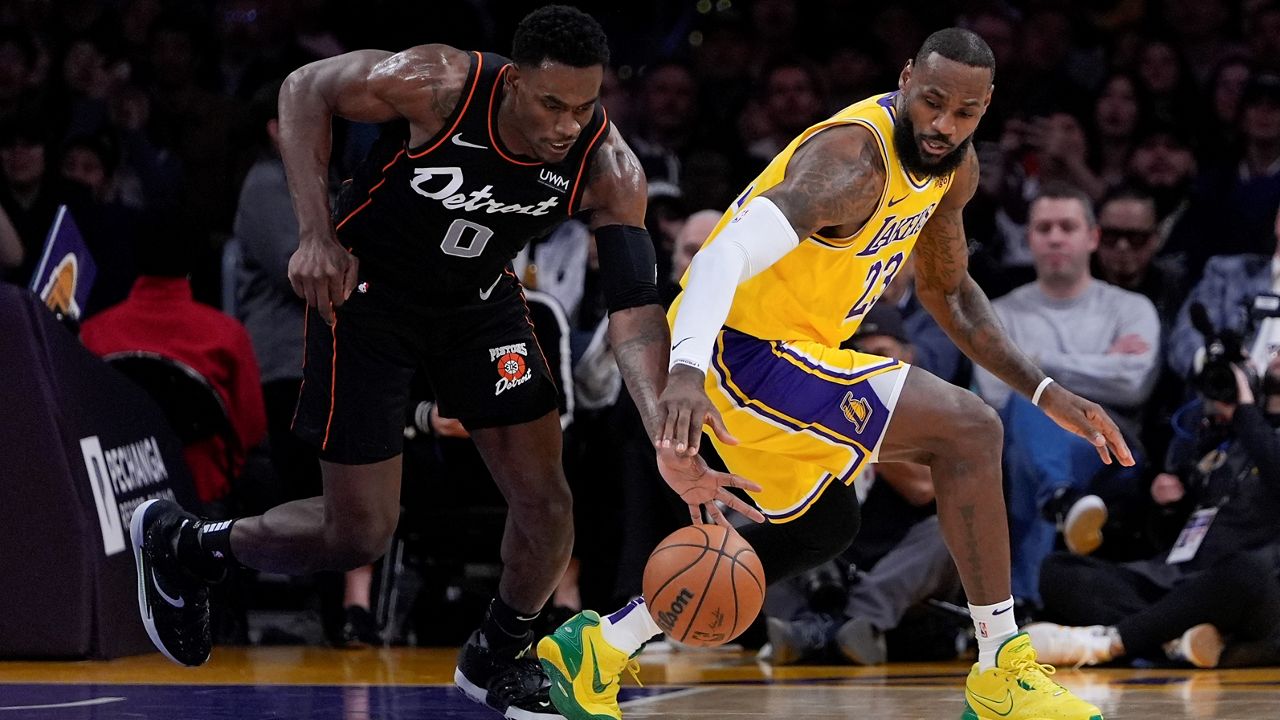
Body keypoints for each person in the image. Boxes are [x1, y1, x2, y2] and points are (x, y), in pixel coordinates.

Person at [130, 8, 749, 720]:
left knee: (549, 509)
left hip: (478, 308)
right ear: (514, 82)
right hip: (368, 298)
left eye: (583, 108)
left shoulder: (610, 167)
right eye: (551, 104)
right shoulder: (441, 83)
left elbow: (634, 308)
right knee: (358, 532)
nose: (566, 126)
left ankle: (497, 657)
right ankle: (187, 542)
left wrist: (664, 428)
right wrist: (314, 233)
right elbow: (304, 87)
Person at [539, 28, 1131, 720]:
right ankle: (1003, 670)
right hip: (740, 351)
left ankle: (604, 644)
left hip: (795, 352)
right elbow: (723, 255)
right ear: (907, 78)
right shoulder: (853, 163)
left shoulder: (952, 167)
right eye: (932, 102)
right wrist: (686, 373)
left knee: (824, 524)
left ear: (986, 108)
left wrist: (1045, 391)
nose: (942, 125)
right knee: (970, 430)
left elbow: (949, 292)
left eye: (964, 113)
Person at [974, 183, 1159, 603]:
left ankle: (1026, 598)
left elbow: (1134, 382)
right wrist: (1098, 363)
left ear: (1092, 237)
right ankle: (1058, 498)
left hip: (1113, 442)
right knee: (1026, 414)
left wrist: (1036, 362)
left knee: (1031, 402)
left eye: (1067, 226)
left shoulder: (1131, 308)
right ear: (1029, 239)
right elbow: (992, 391)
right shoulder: (999, 312)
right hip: (1020, 439)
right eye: (1044, 228)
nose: (1055, 236)